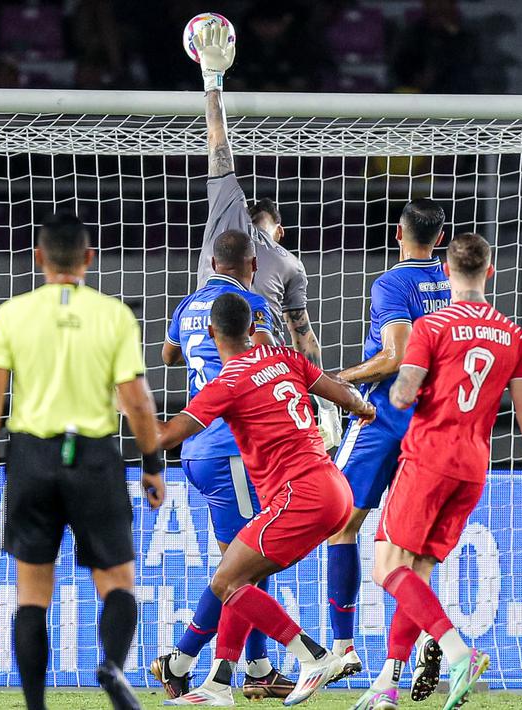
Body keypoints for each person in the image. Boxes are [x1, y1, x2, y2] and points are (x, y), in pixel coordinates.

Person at [352, 232, 522, 710]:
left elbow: (403, 394)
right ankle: (388, 683)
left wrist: (416, 385)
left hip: (428, 458)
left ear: (446, 272)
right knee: (417, 573)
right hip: (472, 467)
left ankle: (455, 651)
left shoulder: (433, 326)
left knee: (387, 566)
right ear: (490, 272)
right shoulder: (512, 333)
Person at [0, 214, 164, 710]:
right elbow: (138, 402)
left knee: (32, 593)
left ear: (38, 257)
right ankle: (113, 666)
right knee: (117, 582)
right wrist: (152, 464)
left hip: (31, 456)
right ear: (88, 258)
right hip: (94, 455)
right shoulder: (113, 314)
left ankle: (36, 707)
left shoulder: (13, 313)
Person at [157, 292, 375, 707]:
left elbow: (165, 436)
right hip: (334, 489)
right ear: (251, 328)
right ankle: (220, 683)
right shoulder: (285, 357)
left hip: (301, 495)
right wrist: (365, 409)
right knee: (243, 577)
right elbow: (341, 393)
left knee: (227, 580)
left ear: (210, 332)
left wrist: (120, 401)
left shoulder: (228, 382)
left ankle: (312, 656)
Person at [149, 229, 295, 700]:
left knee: (249, 564)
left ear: (213, 264)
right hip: (230, 446)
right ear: (252, 265)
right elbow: (271, 361)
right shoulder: (250, 307)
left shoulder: (190, 305)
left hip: (200, 447)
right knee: (241, 568)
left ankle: (255, 666)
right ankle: (184, 659)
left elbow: (168, 355)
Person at [191, 16, 343, 449]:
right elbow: (303, 337)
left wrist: (212, 81)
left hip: (214, 382)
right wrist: (326, 406)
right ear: (279, 229)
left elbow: (219, 149)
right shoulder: (287, 260)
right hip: (267, 387)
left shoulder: (226, 219)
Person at [325, 198, 452, 689]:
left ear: (399, 234)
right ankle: (425, 642)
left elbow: (395, 355)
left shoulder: (392, 283)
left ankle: (342, 648)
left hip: (382, 416)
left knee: (341, 524)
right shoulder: (449, 284)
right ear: (439, 238)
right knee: (411, 546)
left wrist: (340, 379)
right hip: (431, 424)